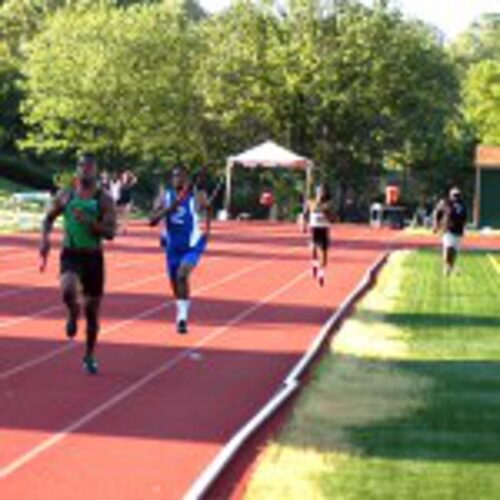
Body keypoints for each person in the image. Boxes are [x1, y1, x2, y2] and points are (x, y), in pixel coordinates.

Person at [39, 154, 116, 374]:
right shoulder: (66, 195)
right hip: (71, 253)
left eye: (90, 167)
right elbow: (48, 219)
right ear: (77, 170)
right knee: (67, 290)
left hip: (93, 257)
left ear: (96, 172)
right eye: (82, 166)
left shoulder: (104, 199)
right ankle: (73, 311)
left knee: (92, 314)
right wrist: (44, 240)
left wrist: (92, 224)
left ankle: (89, 355)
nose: (85, 171)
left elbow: (111, 233)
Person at [149, 166, 210, 334]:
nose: (177, 179)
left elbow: (207, 209)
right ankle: (181, 308)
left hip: (192, 245)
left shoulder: (195, 195)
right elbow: (151, 221)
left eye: (181, 176)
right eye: (174, 176)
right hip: (172, 247)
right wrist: (169, 209)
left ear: (186, 178)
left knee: (182, 274)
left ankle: (182, 318)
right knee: (176, 284)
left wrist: (208, 227)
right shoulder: (165, 196)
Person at [433, 186, 467, 276]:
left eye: (457, 195)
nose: (456, 197)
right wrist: (436, 225)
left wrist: (464, 227)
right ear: (450, 195)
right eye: (454, 195)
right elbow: (437, 212)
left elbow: (464, 218)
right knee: (448, 248)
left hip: (458, 230)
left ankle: (451, 267)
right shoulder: (445, 202)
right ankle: (446, 267)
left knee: (454, 251)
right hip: (448, 229)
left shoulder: (462, 205)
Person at [308, 184, 334, 286]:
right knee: (314, 248)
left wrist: (327, 213)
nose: (321, 194)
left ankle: (321, 274)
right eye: (319, 192)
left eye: (322, 192)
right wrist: (304, 225)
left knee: (324, 253)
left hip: (324, 228)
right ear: (317, 193)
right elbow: (309, 211)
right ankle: (314, 264)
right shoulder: (312, 202)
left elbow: (332, 218)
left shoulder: (328, 204)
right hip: (314, 228)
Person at [116, 170, 137, 235]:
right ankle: (118, 228)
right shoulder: (119, 183)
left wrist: (130, 173)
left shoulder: (129, 184)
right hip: (120, 200)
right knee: (118, 215)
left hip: (127, 200)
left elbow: (135, 179)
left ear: (127, 177)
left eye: (125, 176)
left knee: (125, 215)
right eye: (123, 176)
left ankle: (124, 229)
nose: (124, 177)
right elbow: (117, 191)